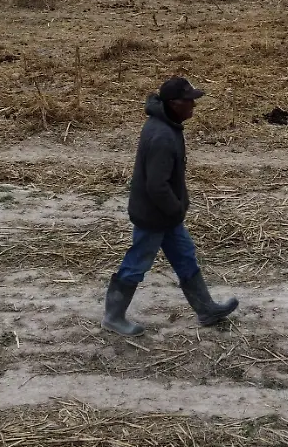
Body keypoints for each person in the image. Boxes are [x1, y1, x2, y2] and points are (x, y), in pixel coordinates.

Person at [102, 76, 239, 336]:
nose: (193, 107)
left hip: (165, 214)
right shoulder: (162, 136)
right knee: (137, 264)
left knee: (185, 257)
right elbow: (157, 186)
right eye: (190, 102)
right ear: (175, 104)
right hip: (155, 215)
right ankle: (113, 316)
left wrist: (175, 210)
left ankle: (206, 309)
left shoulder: (165, 125)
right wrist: (176, 209)